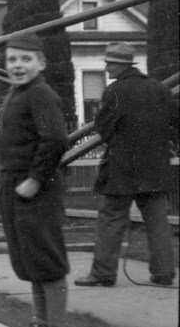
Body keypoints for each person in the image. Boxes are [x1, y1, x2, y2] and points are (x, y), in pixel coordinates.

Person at [75, 43, 179, 287]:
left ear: (120, 65)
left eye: (109, 63)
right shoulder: (159, 89)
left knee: (111, 219)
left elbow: (104, 127)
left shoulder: (114, 91)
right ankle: (164, 273)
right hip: (156, 166)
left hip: (122, 167)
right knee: (157, 221)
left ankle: (103, 274)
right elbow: (174, 121)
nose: (107, 67)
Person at [0, 33, 71, 327]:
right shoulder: (16, 94)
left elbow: (54, 139)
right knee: (30, 259)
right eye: (12, 59)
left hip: (36, 190)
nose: (18, 65)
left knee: (46, 257)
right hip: (14, 185)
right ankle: (39, 326)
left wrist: (35, 180)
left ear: (41, 62)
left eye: (26, 59)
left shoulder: (40, 95)